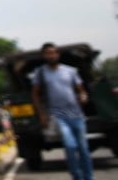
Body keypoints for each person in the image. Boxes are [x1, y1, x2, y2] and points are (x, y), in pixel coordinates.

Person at [32, 42, 94, 180]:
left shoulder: (70, 71)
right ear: (44, 56)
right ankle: (77, 176)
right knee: (70, 146)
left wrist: (83, 96)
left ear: (57, 54)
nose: (51, 55)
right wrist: (41, 114)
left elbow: (81, 89)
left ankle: (89, 177)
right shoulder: (40, 73)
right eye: (48, 53)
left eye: (53, 52)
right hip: (58, 115)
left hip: (76, 114)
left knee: (83, 149)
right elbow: (35, 94)